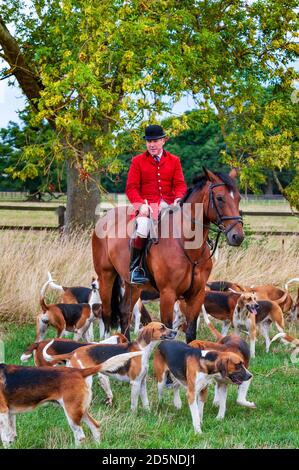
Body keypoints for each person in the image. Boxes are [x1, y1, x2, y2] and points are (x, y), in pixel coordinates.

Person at [126, 124, 187, 284]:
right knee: (143, 227)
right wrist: (140, 205)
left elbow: (180, 184)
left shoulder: (174, 160)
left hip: (169, 206)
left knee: (190, 227)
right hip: (147, 207)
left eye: (155, 141)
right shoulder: (137, 161)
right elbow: (131, 188)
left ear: (163, 141)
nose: (152, 144)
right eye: (149, 141)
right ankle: (135, 269)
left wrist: (179, 198)